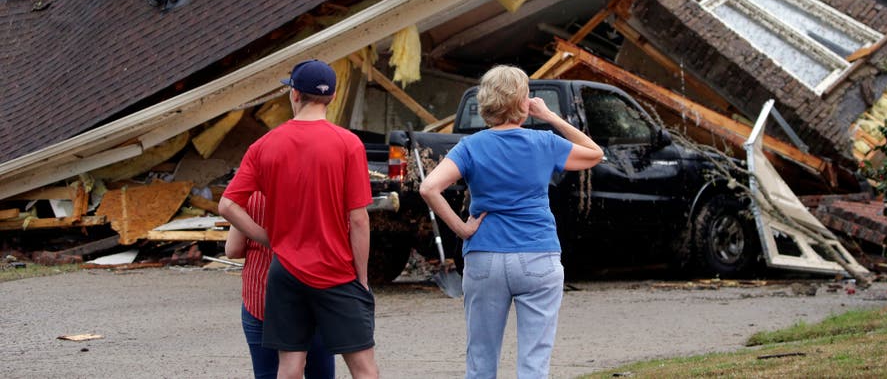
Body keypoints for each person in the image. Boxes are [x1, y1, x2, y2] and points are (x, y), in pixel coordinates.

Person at [419, 65, 604, 379]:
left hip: (484, 256)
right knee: (534, 366)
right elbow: (594, 153)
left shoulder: (470, 146)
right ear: (523, 102)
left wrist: (463, 229)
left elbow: (429, 188)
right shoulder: (543, 142)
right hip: (538, 256)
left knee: (480, 362)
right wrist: (550, 116)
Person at [219, 59, 379, 379]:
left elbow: (227, 205)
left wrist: (267, 237)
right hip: (336, 270)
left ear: (294, 94)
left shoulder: (264, 145)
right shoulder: (349, 144)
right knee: (363, 369)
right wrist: (361, 279)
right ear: (332, 98)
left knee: (290, 366)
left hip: (285, 271)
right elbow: (359, 220)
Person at [225, 191, 335, 379]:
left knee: (267, 373)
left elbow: (233, 249)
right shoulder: (320, 190)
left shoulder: (251, 195)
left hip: (261, 297)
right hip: (313, 296)